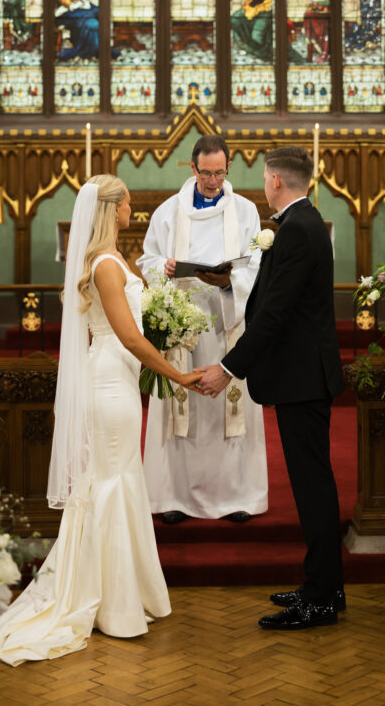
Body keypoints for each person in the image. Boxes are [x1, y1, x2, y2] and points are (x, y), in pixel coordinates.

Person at [0, 176, 201, 665]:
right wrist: (178, 377)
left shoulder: (111, 259)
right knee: (111, 482)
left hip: (117, 378)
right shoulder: (104, 264)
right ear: (115, 208)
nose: (131, 210)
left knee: (119, 480)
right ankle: (113, 605)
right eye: (127, 204)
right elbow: (129, 337)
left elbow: (136, 332)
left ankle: (129, 594)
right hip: (109, 384)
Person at [197, 146, 345, 631]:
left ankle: (322, 598)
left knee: (313, 487)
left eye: (264, 178)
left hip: (303, 378)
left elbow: (277, 314)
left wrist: (228, 368)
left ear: (277, 181)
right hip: (300, 376)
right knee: (310, 485)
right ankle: (321, 584)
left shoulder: (299, 229)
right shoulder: (301, 224)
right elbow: (274, 299)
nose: (263, 185)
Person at [137, 135, 268, 524]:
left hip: (229, 319)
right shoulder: (167, 212)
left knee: (231, 406)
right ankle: (175, 496)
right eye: (206, 173)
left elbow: (258, 266)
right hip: (181, 325)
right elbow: (148, 259)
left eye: (220, 173)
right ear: (192, 168)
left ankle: (237, 495)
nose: (213, 181)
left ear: (228, 169)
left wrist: (228, 281)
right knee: (185, 406)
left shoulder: (245, 212)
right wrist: (166, 268)